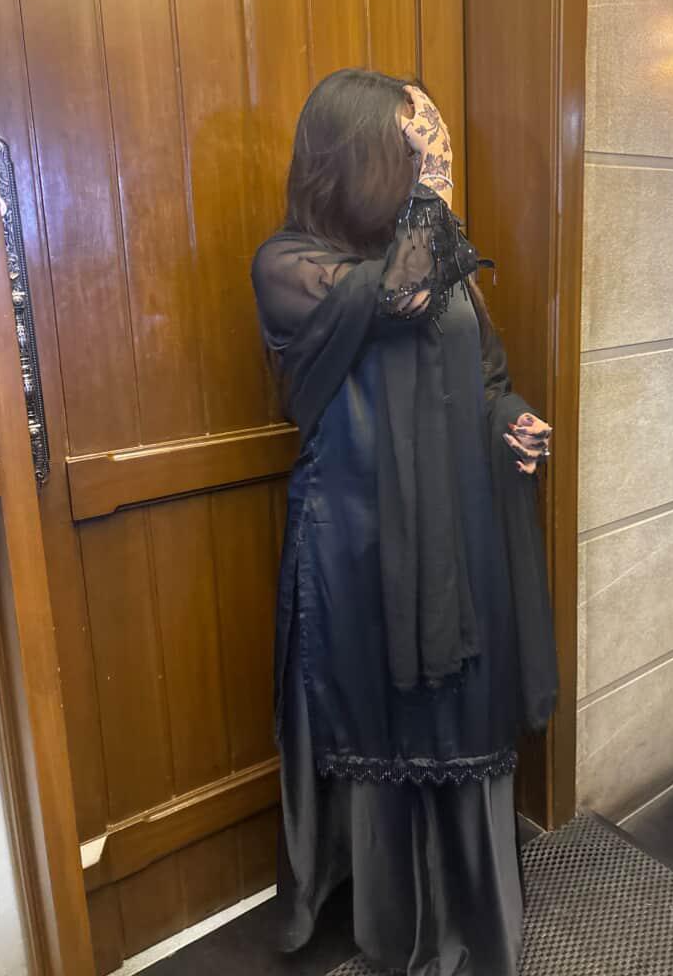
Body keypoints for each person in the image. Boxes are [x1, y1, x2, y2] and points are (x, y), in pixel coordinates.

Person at [251, 68, 557, 976]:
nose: (429, 161)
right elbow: (397, 298)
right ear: (356, 156)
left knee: (458, 708)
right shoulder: (295, 267)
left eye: (431, 149)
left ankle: (471, 908)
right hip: (356, 542)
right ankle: (389, 920)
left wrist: (512, 423)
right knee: (379, 711)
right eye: (412, 146)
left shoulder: (439, 263)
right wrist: (436, 190)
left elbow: (486, 377)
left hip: (454, 535)